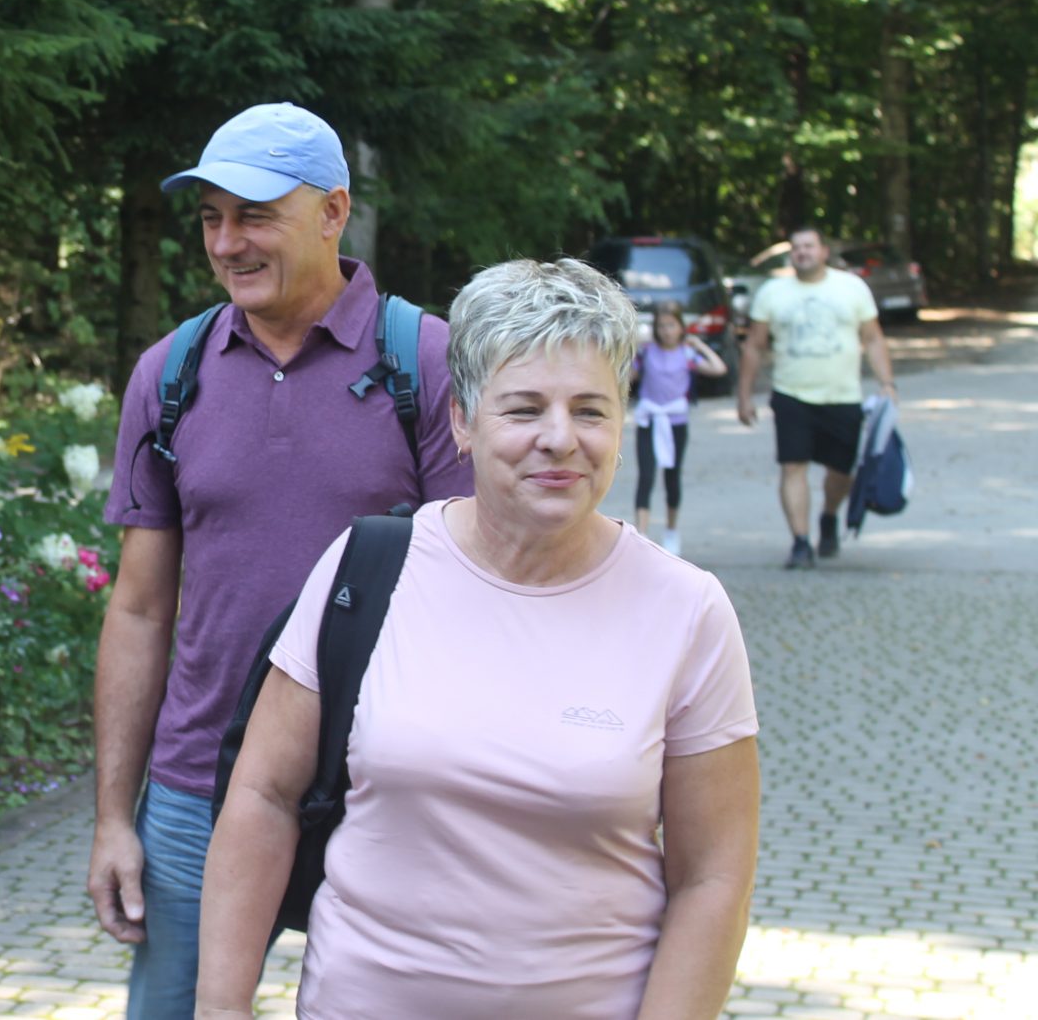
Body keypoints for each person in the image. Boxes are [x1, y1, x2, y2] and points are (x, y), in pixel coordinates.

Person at [199, 258, 760, 1020]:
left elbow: (713, 878)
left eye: (590, 410)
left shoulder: (686, 610)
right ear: (462, 419)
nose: (559, 438)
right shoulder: (368, 568)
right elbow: (263, 796)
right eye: (524, 408)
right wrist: (221, 1006)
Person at [88, 102, 473, 1018]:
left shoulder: (427, 362)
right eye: (211, 218)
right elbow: (139, 608)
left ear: (334, 211)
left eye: (254, 215)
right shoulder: (170, 373)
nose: (228, 243)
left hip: (386, 783)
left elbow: (481, 594)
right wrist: (112, 816)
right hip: (200, 787)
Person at [735, 225, 896, 568]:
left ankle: (829, 515)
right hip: (791, 394)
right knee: (792, 466)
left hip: (843, 396)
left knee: (841, 472)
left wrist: (887, 383)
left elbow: (873, 338)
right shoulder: (772, 292)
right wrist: (744, 395)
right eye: (796, 247)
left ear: (824, 251)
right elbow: (754, 346)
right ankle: (801, 542)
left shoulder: (852, 287)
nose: (802, 252)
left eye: (809, 246)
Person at [631, 302, 728, 556]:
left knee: (672, 478)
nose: (666, 331)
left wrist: (700, 345)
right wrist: (631, 348)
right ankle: (641, 534)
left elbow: (719, 369)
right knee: (646, 476)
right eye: (662, 326)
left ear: (681, 327)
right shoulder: (647, 353)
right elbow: (626, 376)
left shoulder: (687, 354)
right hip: (650, 420)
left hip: (675, 422)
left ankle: (671, 529)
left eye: (671, 325)